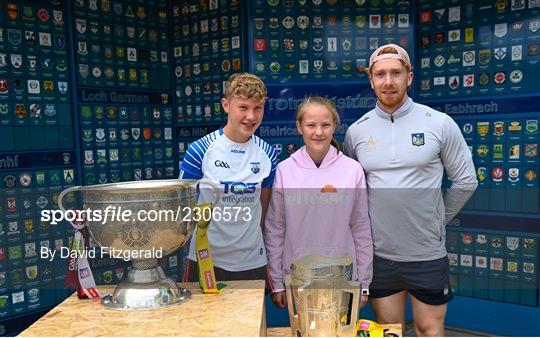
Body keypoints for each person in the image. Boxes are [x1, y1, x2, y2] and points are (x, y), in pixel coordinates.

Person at [343, 44, 478, 336]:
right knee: (390, 332)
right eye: (380, 74)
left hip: (426, 253)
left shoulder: (439, 123)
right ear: (371, 80)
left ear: (410, 77)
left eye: (396, 73)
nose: (388, 81)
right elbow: (352, 191)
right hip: (380, 256)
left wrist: (437, 219)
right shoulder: (357, 131)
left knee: (428, 329)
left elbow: (466, 180)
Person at [265, 96, 373, 309]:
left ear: (335, 126)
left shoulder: (352, 170)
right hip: (297, 278)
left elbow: (360, 228)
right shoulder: (285, 171)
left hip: (342, 278)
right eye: (311, 125)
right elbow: (275, 229)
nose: (318, 132)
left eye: (325, 125)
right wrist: (277, 283)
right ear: (299, 127)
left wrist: (364, 283)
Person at [179, 73, 277, 282]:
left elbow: (265, 211)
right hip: (205, 258)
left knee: (253, 317)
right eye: (243, 107)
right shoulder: (200, 150)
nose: (251, 116)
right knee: (200, 316)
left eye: (257, 108)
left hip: (251, 260)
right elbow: (183, 207)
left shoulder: (268, 153)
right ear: (226, 105)